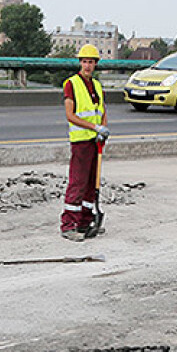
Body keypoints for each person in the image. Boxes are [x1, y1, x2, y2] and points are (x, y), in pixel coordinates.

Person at [60, 44, 110, 242]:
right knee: (78, 183)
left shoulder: (97, 85)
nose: (87, 65)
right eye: (84, 61)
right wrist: (94, 128)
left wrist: (103, 129)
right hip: (81, 141)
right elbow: (70, 115)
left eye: (91, 62)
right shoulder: (71, 84)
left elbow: (102, 111)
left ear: (96, 64)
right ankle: (68, 224)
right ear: (80, 62)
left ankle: (85, 220)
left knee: (91, 184)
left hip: (95, 142)